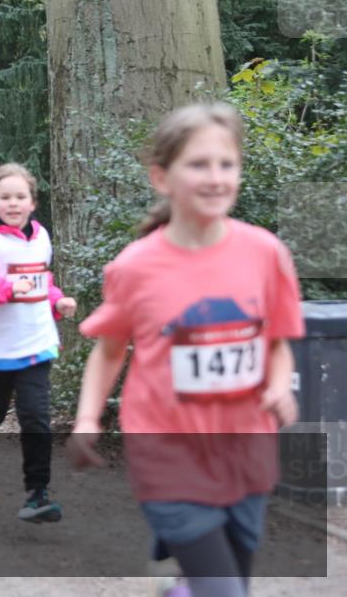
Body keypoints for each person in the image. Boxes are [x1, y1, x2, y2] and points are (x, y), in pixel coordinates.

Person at [68, 103, 304, 597]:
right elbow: (110, 351)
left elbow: (277, 340)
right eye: (198, 164)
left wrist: (280, 387)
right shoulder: (136, 267)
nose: (215, 177)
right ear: (162, 177)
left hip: (246, 450)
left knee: (228, 580)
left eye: (227, 164)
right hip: (168, 453)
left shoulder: (266, 253)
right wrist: (88, 418)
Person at [0, 163, 77, 522]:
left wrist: (57, 301)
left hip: (36, 342)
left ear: (33, 202)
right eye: (5, 197)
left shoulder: (40, 236)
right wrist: (6, 289)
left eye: (20, 196)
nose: (13, 203)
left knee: (35, 416)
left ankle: (37, 494)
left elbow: (41, 282)